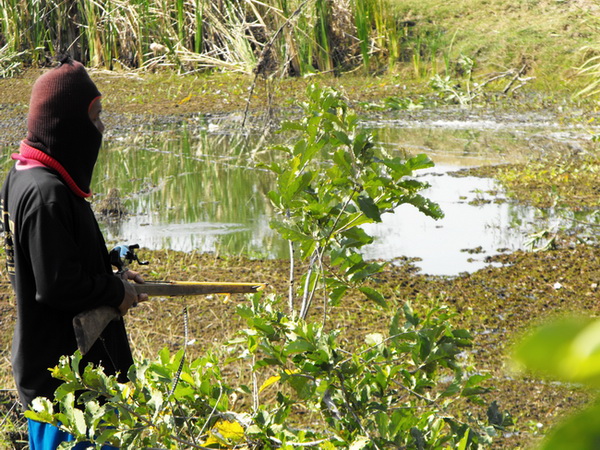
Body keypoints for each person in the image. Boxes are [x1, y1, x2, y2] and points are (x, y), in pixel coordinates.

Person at [0, 55, 147, 449]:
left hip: (71, 379)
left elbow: (55, 259)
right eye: (95, 116)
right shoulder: (45, 195)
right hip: (67, 392)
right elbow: (57, 285)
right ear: (66, 124)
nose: (100, 127)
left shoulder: (27, 175)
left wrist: (110, 268)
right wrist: (117, 293)